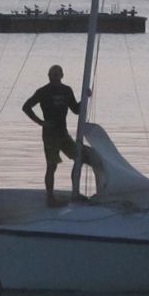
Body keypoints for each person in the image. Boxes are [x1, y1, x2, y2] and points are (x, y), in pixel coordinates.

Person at [22, 65, 95, 206]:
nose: (54, 76)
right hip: (50, 134)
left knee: (79, 158)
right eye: (52, 74)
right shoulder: (43, 91)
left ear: (62, 75)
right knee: (52, 165)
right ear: (48, 75)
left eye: (57, 74)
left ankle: (75, 192)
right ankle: (50, 198)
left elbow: (75, 110)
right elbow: (26, 107)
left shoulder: (66, 90)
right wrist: (41, 122)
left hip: (63, 133)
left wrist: (85, 97)